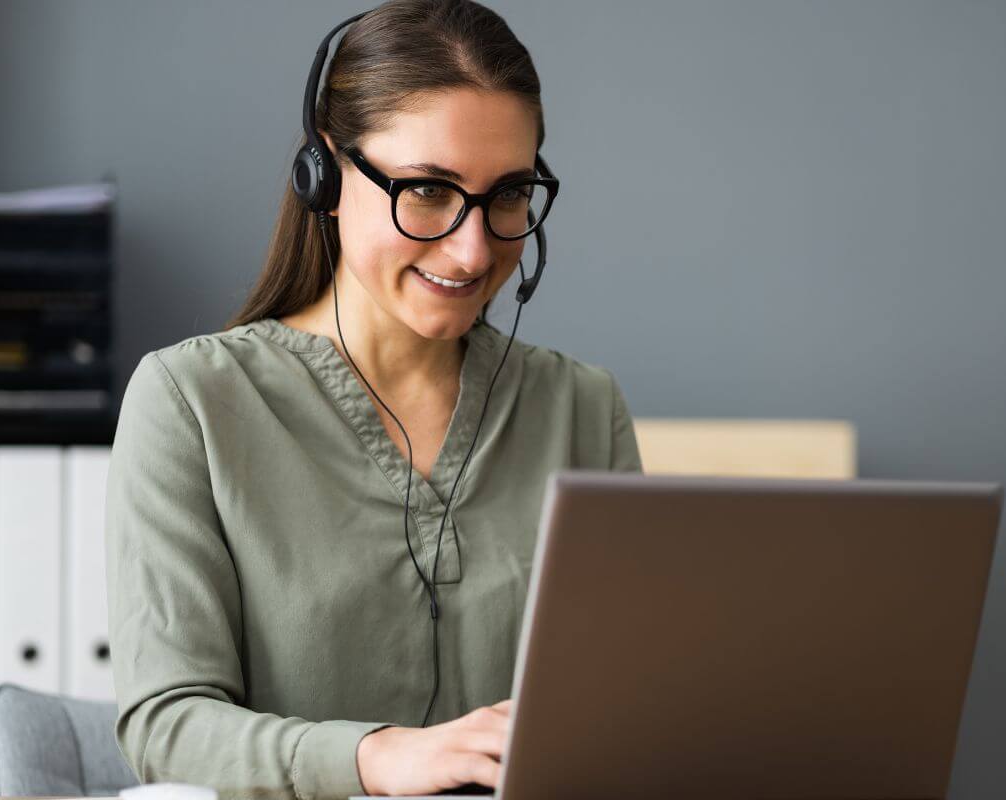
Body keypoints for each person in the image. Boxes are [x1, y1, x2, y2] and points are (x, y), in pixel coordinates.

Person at [103, 2, 643, 799]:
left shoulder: (583, 408)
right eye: (427, 190)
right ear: (324, 175)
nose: (473, 249)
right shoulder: (192, 402)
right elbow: (166, 727)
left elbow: (631, 706)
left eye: (509, 194)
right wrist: (377, 758)